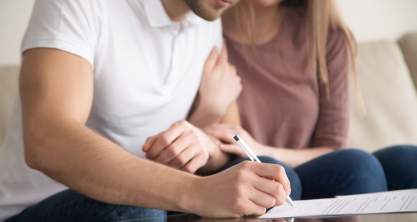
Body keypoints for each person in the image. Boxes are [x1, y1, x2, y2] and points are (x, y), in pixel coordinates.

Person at [0, 0, 292, 221]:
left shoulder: (207, 18)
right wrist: (196, 192)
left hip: (158, 201)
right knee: (138, 212)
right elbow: (47, 141)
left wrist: (204, 137)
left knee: (270, 183)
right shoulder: (81, 5)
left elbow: (230, 141)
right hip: (42, 206)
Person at [193, 0, 398, 201]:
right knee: (355, 167)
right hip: (235, 173)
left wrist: (261, 150)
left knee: (395, 162)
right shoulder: (205, 31)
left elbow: (333, 148)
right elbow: (223, 139)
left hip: (306, 174)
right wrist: (209, 108)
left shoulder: (326, 36)